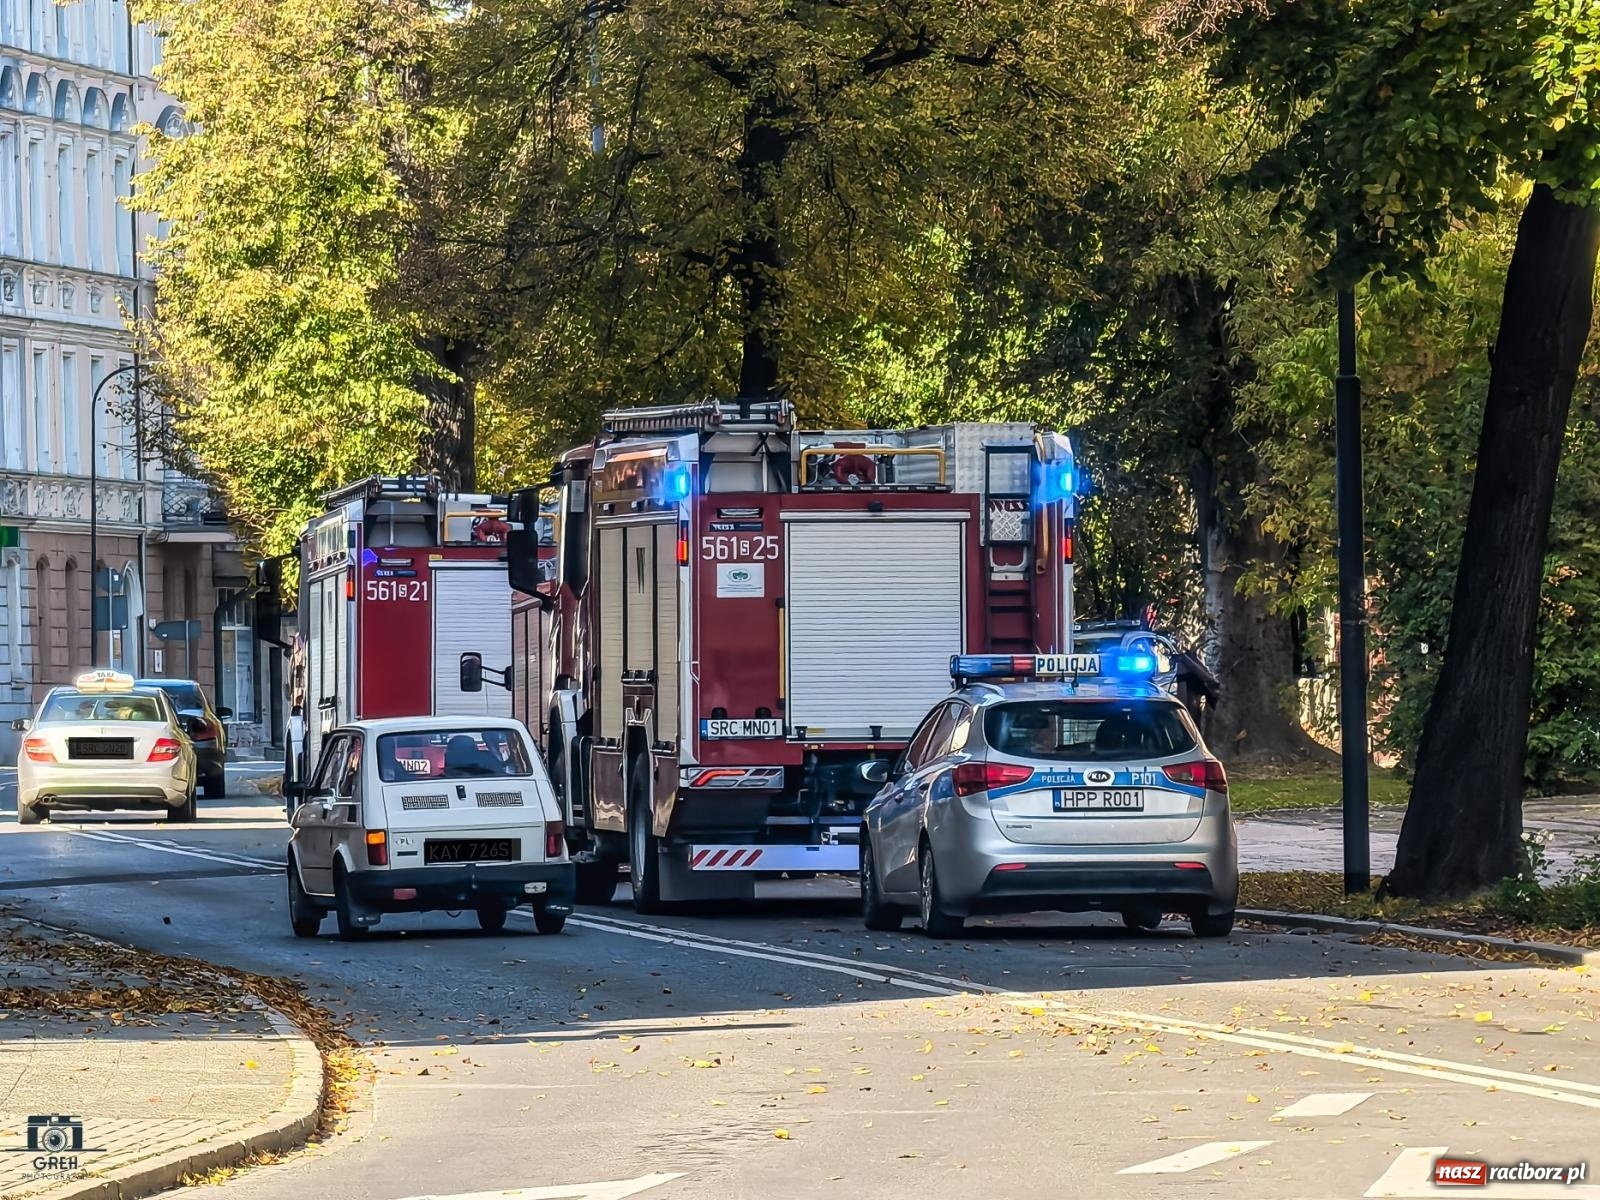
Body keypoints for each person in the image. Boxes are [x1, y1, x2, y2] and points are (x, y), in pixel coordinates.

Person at [1174, 648, 1220, 729]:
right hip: (1188, 681)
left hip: (1190, 681)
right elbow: (1205, 676)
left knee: (1190, 714)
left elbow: (1205, 676)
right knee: (1188, 714)